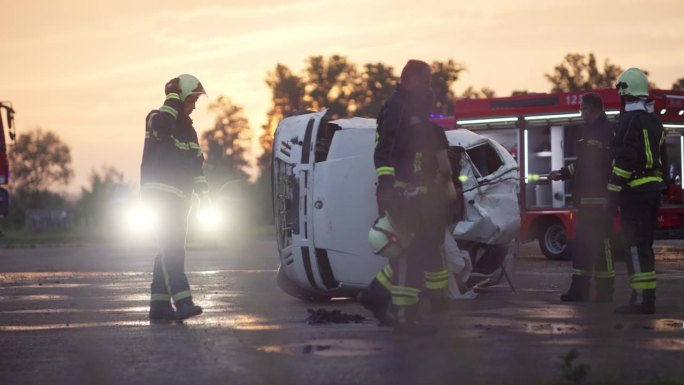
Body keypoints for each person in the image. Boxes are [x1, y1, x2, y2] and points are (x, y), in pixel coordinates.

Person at [359, 60, 453, 335]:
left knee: (412, 253)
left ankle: (376, 296)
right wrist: (390, 186)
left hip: (411, 195)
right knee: (409, 255)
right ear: (409, 80)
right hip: (399, 194)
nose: (429, 86)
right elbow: (384, 150)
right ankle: (404, 316)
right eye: (425, 80)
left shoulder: (409, 109)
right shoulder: (397, 107)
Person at [141, 74, 209, 321]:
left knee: (169, 249)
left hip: (181, 200)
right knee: (172, 250)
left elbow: (196, 165)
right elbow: (162, 129)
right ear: (178, 99)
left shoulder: (189, 131)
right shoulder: (156, 119)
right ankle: (183, 302)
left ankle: (159, 307)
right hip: (159, 198)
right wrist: (172, 98)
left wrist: (203, 192)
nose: (194, 106)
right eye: (191, 101)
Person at [608, 68, 667, 314]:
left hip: (635, 194)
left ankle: (641, 300)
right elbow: (663, 159)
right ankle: (647, 297)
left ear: (624, 93)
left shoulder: (627, 121)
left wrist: (612, 193)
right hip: (653, 191)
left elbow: (624, 160)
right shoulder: (655, 122)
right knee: (645, 245)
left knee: (633, 245)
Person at [549, 93, 616, 302]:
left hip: (601, 201)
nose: (580, 113)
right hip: (585, 201)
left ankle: (605, 291)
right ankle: (579, 290)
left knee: (602, 245)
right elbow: (581, 164)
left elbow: (613, 164)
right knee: (581, 245)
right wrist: (562, 173)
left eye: (582, 109)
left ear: (592, 109)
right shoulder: (588, 132)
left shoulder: (609, 131)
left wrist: (611, 196)